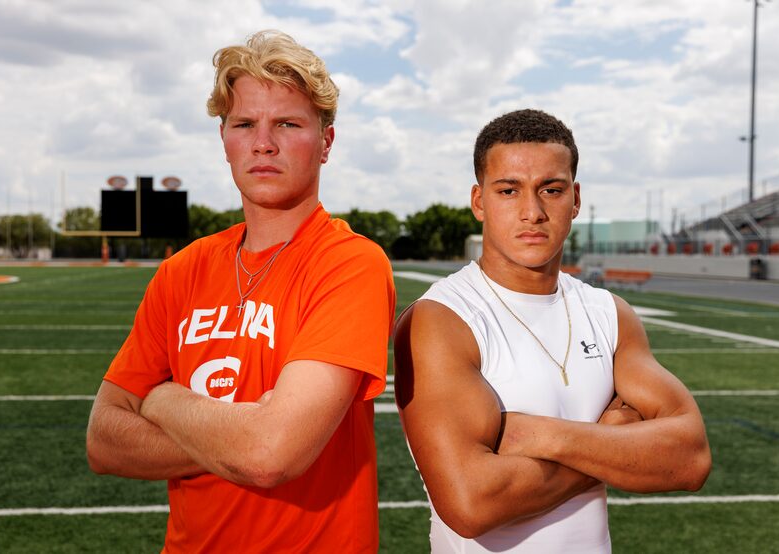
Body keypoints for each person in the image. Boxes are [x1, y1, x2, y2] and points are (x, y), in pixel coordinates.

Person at [86, 30, 395, 553]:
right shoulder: (182, 270)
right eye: (245, 123)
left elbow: (270, 455)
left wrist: (160, 399)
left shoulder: (349, 264)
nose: (263, 142)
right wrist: (242, 431)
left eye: (288, 124)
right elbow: (103, 441)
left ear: (326, 142)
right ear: (224, 139)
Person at [393, 109, 711, 553]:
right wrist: (612, 437)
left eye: (551, 189)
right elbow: (471, 503)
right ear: (479, 201)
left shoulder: (609, 313)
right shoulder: (443, 318)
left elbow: (690, 458)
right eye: (509, 190)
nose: (533, 212)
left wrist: (540, 436)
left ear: (575, 198)